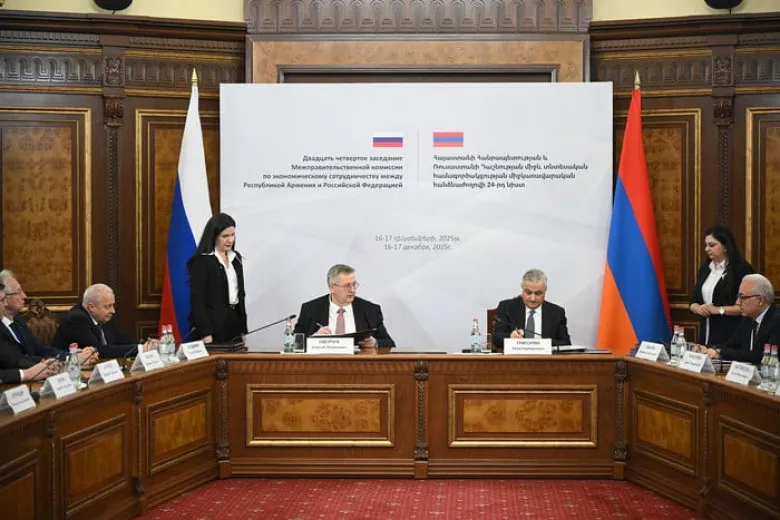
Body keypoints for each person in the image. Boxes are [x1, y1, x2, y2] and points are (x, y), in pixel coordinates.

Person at [294, 264, 395, 353]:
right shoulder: (310, 309)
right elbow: (296, 343)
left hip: (358, 364)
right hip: (322, 364)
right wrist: (314, 338)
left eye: (354, 284)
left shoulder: (370, 310)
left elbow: (389, 343)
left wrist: (375, 343)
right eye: (347, 286)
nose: (352, 290)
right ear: (332, 287)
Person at [187, 213, 248, 344]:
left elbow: (241, 295)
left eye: (232, 235)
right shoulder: (202, 261)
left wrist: (243, 329)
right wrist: (205, 333)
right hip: (212, 328)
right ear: (214, 236)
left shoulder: (236, 258)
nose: (230, 240)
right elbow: (197, 301)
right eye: (225, 236)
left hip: (234, 325)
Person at [689, 225, 754, 345]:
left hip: (731, 334)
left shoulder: (741, 269)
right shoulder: (705, 269)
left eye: (712, 245)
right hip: (706, 332)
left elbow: (746, 307)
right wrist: (699, 308)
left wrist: (718, 310)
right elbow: (693, 300)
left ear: (725, 246)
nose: (707, 249)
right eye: (706, 245)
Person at [52, 284, 155, 358]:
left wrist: (148, 344)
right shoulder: (76, 320)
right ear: (91, 307)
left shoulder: (104, 317)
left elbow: (123, 339)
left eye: (112, 305)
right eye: (107, 306)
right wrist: (141, 349)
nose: (113, 311)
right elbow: (99, 350)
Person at [696, 274, 780, 365]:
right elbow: (731, 346)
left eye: (742, 297)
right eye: (738, 297)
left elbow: (762, 356)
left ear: (760, 300)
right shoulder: (747, 319)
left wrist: (720, 352)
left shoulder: (777, 321)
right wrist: (707, 348)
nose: (738, 302)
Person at [493, 269, 571, 349]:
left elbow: (566, 343)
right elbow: (497, 338)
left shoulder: (557, 312)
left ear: (545, 291)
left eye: (538, 293)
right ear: (522, 289)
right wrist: (510, 337)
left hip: (544, 356)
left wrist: (542, 343)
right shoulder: (506, 307)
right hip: (516, 356)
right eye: (528, 292)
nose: (532, 299)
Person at [0, 282, 59, 384]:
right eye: (1, 300)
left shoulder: (19, 321)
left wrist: (47, 363)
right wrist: (25, 374)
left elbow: (15, 359)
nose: (5, 304)